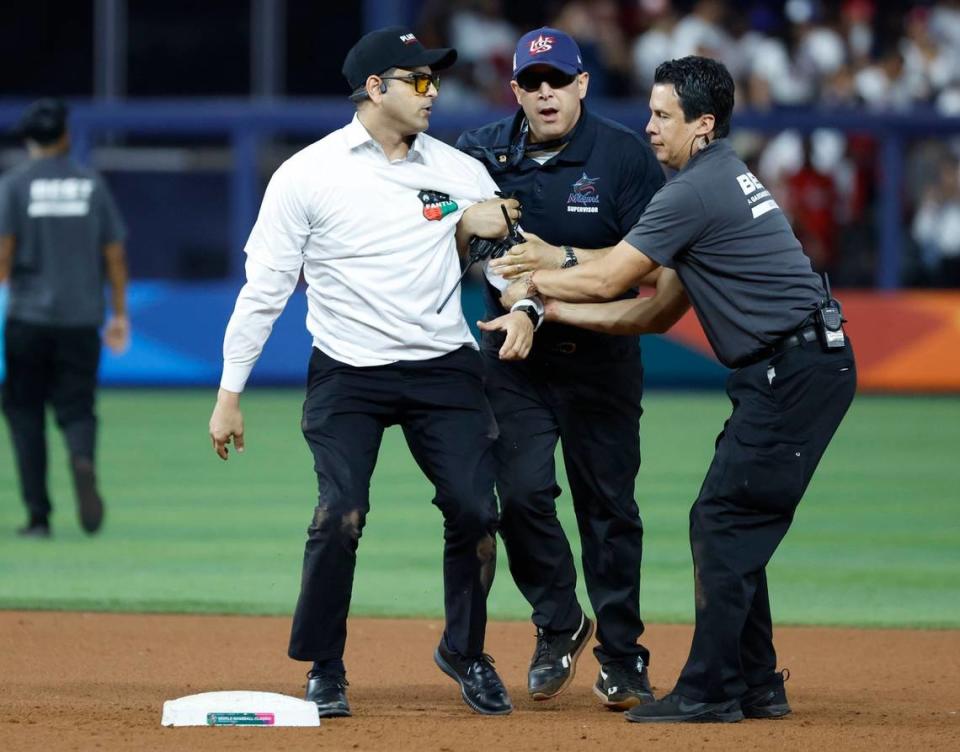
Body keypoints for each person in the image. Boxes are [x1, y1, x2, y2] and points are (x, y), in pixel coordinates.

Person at [498, 56, 857, 723]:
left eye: (663, 115)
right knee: (732, 521)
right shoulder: (719, 177)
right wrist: (554, 309)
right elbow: (652, 312)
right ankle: (755, 684)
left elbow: (611, 277)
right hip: (797, 365)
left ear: (703, 124)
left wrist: (537, 283)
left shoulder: (694, 191)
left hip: (794, 369)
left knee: (721, 523)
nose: (650, 126)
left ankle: (709, 690)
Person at [207, 27, 532, 718]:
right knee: (340, 513)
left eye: (435, 79)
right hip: (348, 372)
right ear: (374, 88)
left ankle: (466, 652)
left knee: (477, 510)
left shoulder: (459, 170)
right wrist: (228, 395)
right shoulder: (307, 174)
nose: (433, 90)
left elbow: (511, 263)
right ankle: (325, 666)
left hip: (444, 366)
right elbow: (264, 290)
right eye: (418, 79)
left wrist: (526, 306)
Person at [456, 27, 685, 710]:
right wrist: (507, 283)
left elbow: (645, 266)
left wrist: (551, 282)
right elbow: (462, 237)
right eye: (533, 82)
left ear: (583, 83)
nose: (547, 93)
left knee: (609, 508)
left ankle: (622, 655)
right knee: (522, 496)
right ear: (516, 90)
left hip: (601, 358)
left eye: (559, 80)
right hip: (513, 356)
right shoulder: (482, 153)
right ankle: (559, 621)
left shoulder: (623, 158)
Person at [0, 98, 129, 539]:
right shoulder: (90, 185)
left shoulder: (14, 185)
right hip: (80, 319)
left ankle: (38, 517)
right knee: (77, 409)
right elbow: (113, 255)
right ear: (66, 136)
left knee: (24, 415)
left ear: (28, 138)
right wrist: (119, 315)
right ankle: (82, 458)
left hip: (27, 319)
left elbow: (2, 257)